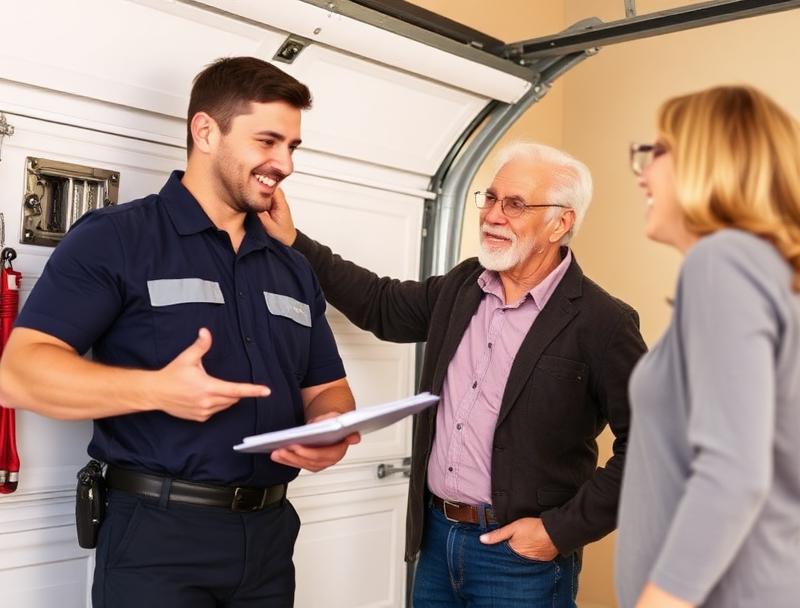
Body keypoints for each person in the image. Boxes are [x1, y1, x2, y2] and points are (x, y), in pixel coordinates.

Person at [0, 57, 359, 607]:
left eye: (292, 146)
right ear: (206, 131)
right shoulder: (118, 238)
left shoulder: (292, 267)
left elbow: (327, 388)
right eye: (268, 141)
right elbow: (18, 374)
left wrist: (329, 427)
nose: (284, 163)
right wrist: (157, 390)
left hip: (269, 538)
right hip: (157, 538)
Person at [261, 142, 647, 607]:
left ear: (560, 223)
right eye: (490, 198)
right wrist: (294, 242)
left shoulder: (604, 322)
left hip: (521, 560)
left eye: (516, 204)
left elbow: (650, 447)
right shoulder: (465, 286)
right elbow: (381, 304)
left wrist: (557, 532)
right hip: (438, 541)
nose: (492, 215)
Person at [616, 85, 800, 608]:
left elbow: (733, 474)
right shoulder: (773, 274)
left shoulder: (723, 262)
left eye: (656, 152)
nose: (642, 172)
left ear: (709, 159)